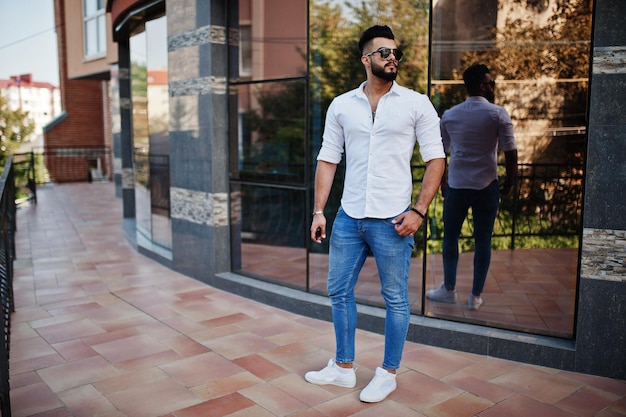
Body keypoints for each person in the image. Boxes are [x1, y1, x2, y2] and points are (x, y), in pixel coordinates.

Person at [304, 25, 445, 403]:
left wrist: (419, 210)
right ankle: (343, 368)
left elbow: (436, 159)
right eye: (383, 52)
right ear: (366, 59)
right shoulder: (341, 105)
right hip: (349, 216)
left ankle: (388, 373)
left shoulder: (416, 104)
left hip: (394, 218)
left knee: (396, 298)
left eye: (395, 52)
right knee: (338, 291)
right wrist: (320, 211)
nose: (392, 58)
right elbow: (328, 159)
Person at [426, 63, 518, 311]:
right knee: (483, 240)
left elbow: (439, 153)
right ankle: (475, 296)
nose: (492, 86)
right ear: (481, 85)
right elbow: (511, 153)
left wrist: (442, 182)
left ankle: (448, 289)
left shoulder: (450, 114)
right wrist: (510, 182)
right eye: (490, 83)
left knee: (450, 238)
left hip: (456, 186)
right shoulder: (498, 114)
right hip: (487, 186)